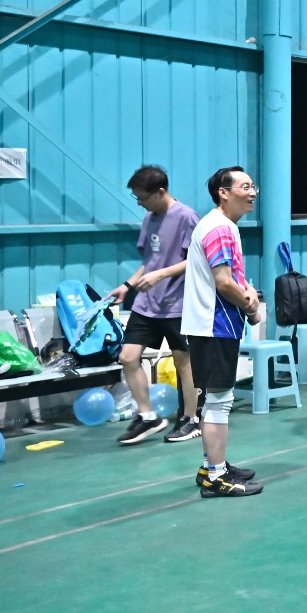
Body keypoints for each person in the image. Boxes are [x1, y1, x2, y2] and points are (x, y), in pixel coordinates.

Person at [180, 166, 264, 497]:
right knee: (219, 401)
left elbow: (231, 277)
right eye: (245, 186)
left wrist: (247, 292)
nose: (252, 192)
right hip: (214, 324)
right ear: (223, 193)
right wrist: (251, 308)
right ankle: (216, 477)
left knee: (215, 400)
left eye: (253, 186)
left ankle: (212, 466)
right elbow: (223, 282)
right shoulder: (219, 228)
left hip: (213, 324)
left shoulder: (221, 225)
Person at [110, 165, 203, 445]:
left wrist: (161, 275)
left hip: (178, 302)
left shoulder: (187, 217)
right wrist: (127, 286)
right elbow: (150, 262)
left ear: (161, 191)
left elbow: (197, 260)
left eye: (143, 198)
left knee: (183, 361)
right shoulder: (149, 219)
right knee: (127, 357)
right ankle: (148, 416)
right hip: (147, 303)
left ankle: (191, 418)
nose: (140, 203)